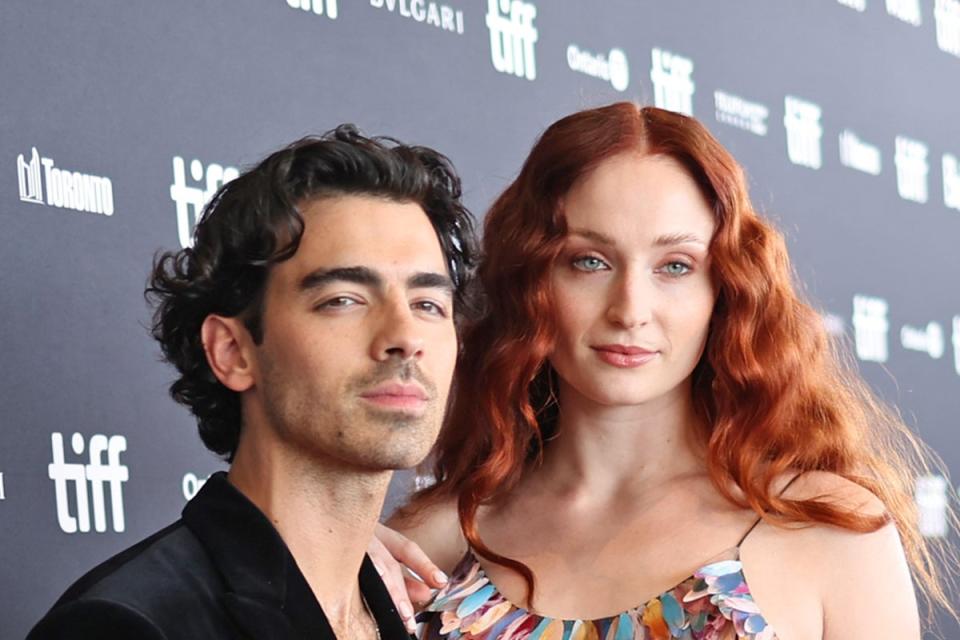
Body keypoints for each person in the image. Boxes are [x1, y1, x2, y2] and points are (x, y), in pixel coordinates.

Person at [369, 103, 957, 639]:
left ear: (723, 289)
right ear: (531, 281)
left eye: (675, 266)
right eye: (589, 261)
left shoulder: (826, 530)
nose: (630, 310)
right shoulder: (438, 538)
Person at [28, 125, 477, 640]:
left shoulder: (404, 611)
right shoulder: (128, 625)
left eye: (428, 305)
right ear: (233, 352)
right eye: (343, 300)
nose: (404, 337)